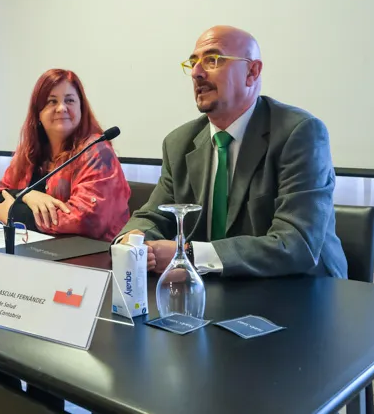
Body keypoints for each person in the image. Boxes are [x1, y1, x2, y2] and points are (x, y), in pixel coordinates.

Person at [120, 25, 348, 278]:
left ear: (252, 71)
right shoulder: (179, 142)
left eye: (212, 60)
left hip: (300, 291)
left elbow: (295, 243)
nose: (196, 72)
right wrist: (134, 239)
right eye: (193, 62)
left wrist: (189, 255)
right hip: (219, 290)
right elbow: (153, 215)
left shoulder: (298, 133)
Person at [0, 69, 130, 242]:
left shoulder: (97, 151)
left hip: (91, 257)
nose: (61, 108)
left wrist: (14, 213)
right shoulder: (29, 151)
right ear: (38, 112)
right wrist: (26, 195)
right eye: (52, 101)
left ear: (81, 108)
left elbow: (87, 219)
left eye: (69, 100)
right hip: (35, 252)